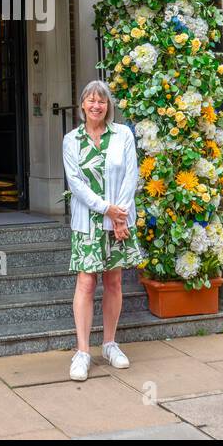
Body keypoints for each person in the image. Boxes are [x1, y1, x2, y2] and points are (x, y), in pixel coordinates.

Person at [62, 79, 145, 381]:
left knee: (114, 282)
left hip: (118, 221)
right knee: (86, 282)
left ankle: (109, 344)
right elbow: (76, 184)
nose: (97, 105)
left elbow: (131, 176)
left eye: (103, 101)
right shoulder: (71, 141)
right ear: (82, 104)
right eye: (91, 100)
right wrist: (106, 209)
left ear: (108, 106)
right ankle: (83, 351)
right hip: (89, 222)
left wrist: (119, 215)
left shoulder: (122, 134)